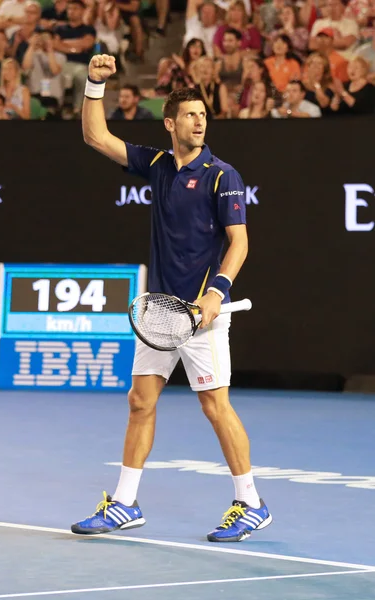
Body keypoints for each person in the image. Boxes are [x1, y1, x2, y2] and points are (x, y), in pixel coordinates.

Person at [71, 53, 272, 543]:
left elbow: (239, 242)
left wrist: (215, 294)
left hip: (202, 315)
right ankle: (124, 503)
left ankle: (252, 504)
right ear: (170, 123)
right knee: (141, 401)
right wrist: (95, 85)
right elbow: (96, 137)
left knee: (214, 406)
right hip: (160, 312)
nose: (200, 121)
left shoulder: (223, 175)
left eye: (203, 115)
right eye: (190, 115)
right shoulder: (158, 165)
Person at [53, 0, 95, 115]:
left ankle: (78, 109)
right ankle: (57, 107)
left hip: (80, 65)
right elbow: (55, 45)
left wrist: (64, 43)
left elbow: (87, 43)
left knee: (82, 77)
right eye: (69, 9)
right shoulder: (59, 29)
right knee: (55, 75)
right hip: (62, 64)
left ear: (82, 11)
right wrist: (74, 48)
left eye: (75, 9)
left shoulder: (88, 29)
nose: (71, 12)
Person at [22, 30, 66, 107]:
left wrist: (50, 49)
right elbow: (25, 67)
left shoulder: (60, 56)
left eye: (47, 38)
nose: (45, 41)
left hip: (52, 96)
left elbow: (54, 70)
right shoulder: (33, 54)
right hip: (35, 94)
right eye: (43, 38)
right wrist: (32, 45)